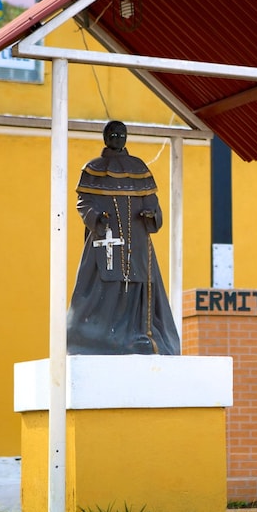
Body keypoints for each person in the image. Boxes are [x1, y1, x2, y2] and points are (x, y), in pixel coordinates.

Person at [67, 121, 181, 355]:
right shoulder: (93, 169)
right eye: (113, 134)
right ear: (105, 137)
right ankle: (95, 340)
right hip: (105, 241)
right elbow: (84, 202)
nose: (118, 138)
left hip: (137, 242)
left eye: (122, 134)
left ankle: (136, 337)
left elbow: (153, 205)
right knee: (101, 289)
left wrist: (152, 215)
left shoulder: (139, 168)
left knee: (138, 286)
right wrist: (96, 218)